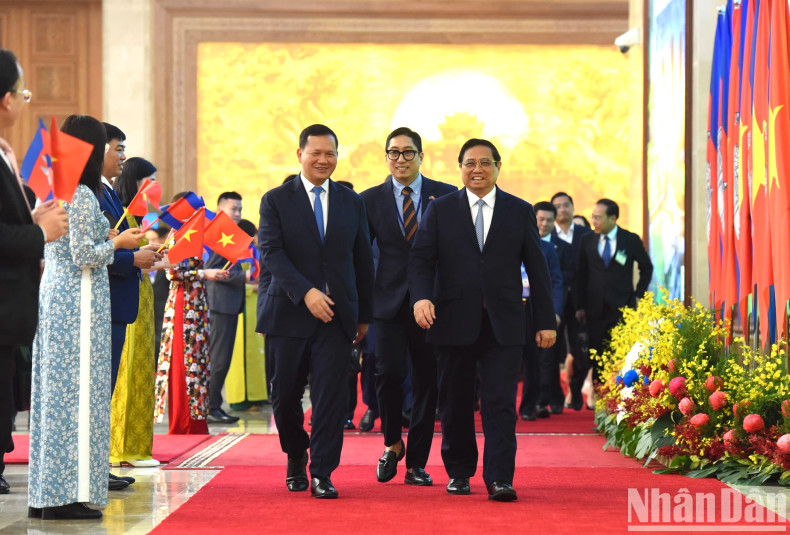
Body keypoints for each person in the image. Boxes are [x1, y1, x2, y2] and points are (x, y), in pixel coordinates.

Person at [409, 138, 556, 502]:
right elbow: (422, 260)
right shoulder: (440, 209)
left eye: (485, 163)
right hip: (453, 321)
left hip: (504, 323)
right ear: (459, 168)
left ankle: (500, 478)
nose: (477, 169)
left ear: (497, 167)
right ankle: (459, 472)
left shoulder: (518, 210)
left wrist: (546, 320)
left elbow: (537, 269)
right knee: (455, 402)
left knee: (500, 403)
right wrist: (421, 297)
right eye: (470, 163)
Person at [28, 115, 142, 520]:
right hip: (75, 304)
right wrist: (121, 243)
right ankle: (65, 496)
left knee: (62, 398)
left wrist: (108, 240)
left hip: (67, 299)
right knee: (74, 399)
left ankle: (51, 494)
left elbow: (80, 243)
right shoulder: (80, 191)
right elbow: (84, 256)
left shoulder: (64, 188)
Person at [257, 124, 374, 499]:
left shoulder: (351, 201)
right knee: (285, 396)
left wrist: (363, 315)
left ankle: (323, 471)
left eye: (330, 154)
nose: (324, 160)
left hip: (336, 317)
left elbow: (361, 262)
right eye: (316, 153)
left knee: (331, 397)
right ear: (300, 155)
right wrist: (306, 292)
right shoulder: (275, 200)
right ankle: (296, 453)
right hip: (289, 313)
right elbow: (272, 254)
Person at [360, 127, 456, 486]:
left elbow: (454, 253)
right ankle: (392, 443)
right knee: (386, 373)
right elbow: (358, 256)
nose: (401, 159)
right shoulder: (368, 199)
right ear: (386, 157)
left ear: (421, 156)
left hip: (430, 303)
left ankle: (416, 463)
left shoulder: (445, 196)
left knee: (427, 381)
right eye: (394, 153)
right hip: (385, 302)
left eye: (408, 152)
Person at [0, 48, 69, 496]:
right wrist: (39, 233)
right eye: (23, 92)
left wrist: (33, 219)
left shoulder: (4, 152)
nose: (26, 101)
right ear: (6, 100)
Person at [154, 192, 227, 434]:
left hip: (197, 302)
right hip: (183, 303)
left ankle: (196, 422)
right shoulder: (178, 235)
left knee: (198, 362)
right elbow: (172, 272)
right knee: (185, 363)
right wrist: (205, 274)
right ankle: (184, 424)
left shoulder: (193, 235)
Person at [109, 157, 163, 467]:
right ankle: (122, 448)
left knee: (141, 368)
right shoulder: (120, 214)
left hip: (141, 295)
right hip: (123, 297)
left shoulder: (137, 218)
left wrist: (153, 255)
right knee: (125, 371)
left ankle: (138, 446)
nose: (154, 187)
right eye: (149, 180)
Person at [575, 198, 653, 387]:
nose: (594, 221)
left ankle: (620, 391)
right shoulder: (587, 240)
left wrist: (637, 294)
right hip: (594, 308)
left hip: (622, 306)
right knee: (597, 351)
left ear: (613, 218)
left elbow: (646, 267)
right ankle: (599, 391)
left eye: (598, 217)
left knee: (622, 352)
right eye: (593, 217)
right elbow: (580, 275)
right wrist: (580, 306)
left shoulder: (630, 239)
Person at [205, 191, 248, 424]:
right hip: (220, 305)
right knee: (219, 360)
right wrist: (246, 276)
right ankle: (211, 407)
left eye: (240, 209)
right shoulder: (218, 233)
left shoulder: (229, 233)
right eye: (234, 209)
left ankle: (214, 406)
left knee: (223, 359)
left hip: (228, 305)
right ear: (221, 209)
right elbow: (212, 271)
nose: (238, 214)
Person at [519, 208, 565, 420]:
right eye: (540, 219)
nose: (543, 223)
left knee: (534, 360)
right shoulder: (507, 242)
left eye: (549, 220)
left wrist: (553, 311)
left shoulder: (547, 248)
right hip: (509, 306)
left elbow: (555, 281)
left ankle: (531, 405)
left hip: (533, 307)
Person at [550, 192, 592, 411]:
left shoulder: (585, 234)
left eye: (566, 205)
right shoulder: (547, 235)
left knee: (580, 350)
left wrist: (584, 302)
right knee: (552, 351)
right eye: (557, 206)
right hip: (555, 301)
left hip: (579, 304)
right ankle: (555, 398)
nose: (562, 209)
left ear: (573, 207)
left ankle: (575, 391)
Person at [225, 218, 268, 412]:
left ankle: (257, 395)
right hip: (239, 304)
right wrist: (253, 287)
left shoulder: (256, 253)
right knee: (237, 352)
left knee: (256, 353)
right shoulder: (231, 252)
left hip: (255, 306)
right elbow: (231, 278)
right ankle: (239, 397)